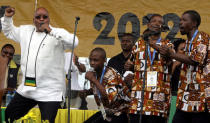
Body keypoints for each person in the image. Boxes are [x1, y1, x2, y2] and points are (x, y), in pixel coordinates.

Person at [1, 6, 78, 123]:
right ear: (33, 20)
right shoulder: (25, 31)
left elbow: (74, 42)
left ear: (49, 19)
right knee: (7, 117)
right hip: (27, 89)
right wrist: (7, 18)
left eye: (44, 17)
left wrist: (51, 31)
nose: (41, 19)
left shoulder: (57, 33)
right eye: (38, 17)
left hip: (50, 92)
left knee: (46, 121)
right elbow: (8, 31)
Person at [160, 10, 210, 123]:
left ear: (194, 23)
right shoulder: (187, 43)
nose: (180, 23)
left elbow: (195, 60)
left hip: (200, 98)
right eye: (180, 20)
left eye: (184, 20)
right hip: (185, 98)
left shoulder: (203, 38)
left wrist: (171, 54)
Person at [124, 14, 172, 123]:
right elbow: (131, 64)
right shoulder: (138, 44)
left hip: (158, 97)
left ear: (162, 27)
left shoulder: (167, 44)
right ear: (148, 24)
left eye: (160, 22)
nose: (156, 23)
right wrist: (130, 67)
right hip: (139, 97)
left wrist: (151, 44)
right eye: (154, 21)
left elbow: (170, 63)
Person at [83, 47, 130, 123]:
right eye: (90, 60)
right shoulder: (94, 73)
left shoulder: (111, 75)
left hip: (120, 113)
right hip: (106, 112)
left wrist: (94, 80)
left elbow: (109, 98)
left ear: (104, 60)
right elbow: (99, 90)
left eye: (95, 60)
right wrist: (87, 92)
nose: (92, 63)